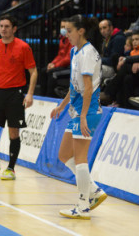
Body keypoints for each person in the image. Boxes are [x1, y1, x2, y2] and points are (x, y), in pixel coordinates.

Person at [51, 15, 107, 220]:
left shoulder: (88, 53)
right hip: (76, 111)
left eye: (69, 30)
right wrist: (61, 106)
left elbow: (89, 88)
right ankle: (93, 190)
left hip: (88, 112)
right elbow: (75, 86)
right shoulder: (76, 51)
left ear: (80, 31)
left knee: (81, 159)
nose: (66, 35)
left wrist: (83, 116)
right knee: (64, 155)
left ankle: (83, 205)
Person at [0, 15, 37, 180]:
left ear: (14, 28)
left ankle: (10, 168)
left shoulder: (23, 47)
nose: (3, 29)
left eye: (6, 26)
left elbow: (33, 72)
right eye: (1, 26)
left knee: (13, 134)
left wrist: (30, 93)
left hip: (15, 94)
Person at [39, 18, 72, 97]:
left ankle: (49, 98)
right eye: (61, 27)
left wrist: (55, 65)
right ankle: (42, 97)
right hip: (62, 65)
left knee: (52, 73)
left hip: (69, 67)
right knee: (44, 71)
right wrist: (52, 63)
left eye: (64, 27)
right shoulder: (62, 38)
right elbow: (60, 55)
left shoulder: (72, 40)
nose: (62, 29)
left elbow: (68, 59)